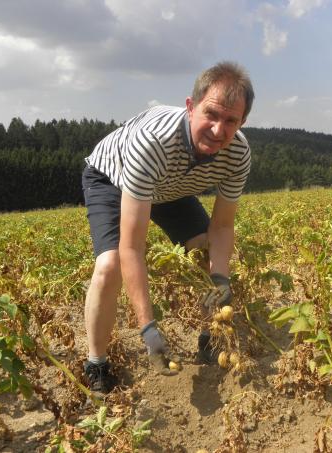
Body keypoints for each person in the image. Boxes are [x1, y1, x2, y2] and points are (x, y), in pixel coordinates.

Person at [80, 61, 254, 396]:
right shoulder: (153, 143)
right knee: (110, 264)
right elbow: (133, 247)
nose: (219, 130)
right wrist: (147, 328)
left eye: (230, 120)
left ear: (242, 121)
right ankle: (97, 363)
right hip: (113, 178)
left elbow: (222, 226)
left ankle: (210, 337)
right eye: (211, 115)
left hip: (171, 185)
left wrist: (220, 279)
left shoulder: (238, 154)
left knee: (206, 251)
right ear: (191, 107)